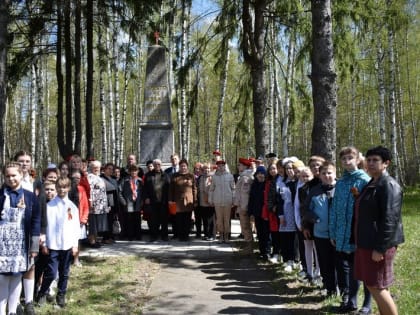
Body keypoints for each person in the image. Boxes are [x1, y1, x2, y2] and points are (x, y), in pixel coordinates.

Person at [353, 146, 404, 315]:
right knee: (377, 285)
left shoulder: (389, 185)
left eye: (376, 160)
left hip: (377, 245)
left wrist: (380, 248)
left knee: (376, 286)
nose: (371, 163)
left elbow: (390, 220)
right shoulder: (373, 182)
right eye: (369, 160)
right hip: (367, 242)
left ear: (386, 163)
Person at [329, 146, 372, 314]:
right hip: (341, 232)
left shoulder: (364, 180)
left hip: (358, 233)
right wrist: (333, 232)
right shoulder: (340, 183)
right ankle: (351, 301)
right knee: (350, 269)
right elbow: (334, 209)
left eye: (350, 158)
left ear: (357, 160)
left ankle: (367, 304)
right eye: (344, 159)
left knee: (364, 269)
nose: (347, 162)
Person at [0, 162, 41, 315]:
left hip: (21, 244)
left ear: (21, 175)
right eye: (7, 176)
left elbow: (36, 221)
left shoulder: (30, 197)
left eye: (14, 175)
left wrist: (34, 246)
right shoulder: (0, 195)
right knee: (3, 279)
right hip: (2, 244)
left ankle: (12, 311)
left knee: (17, 277)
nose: (11, 179)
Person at [35, 178, 80, 308]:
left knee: (64, 272)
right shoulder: (49, 206)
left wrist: (75, 244)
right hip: (53, 245)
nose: (61, 190)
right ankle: (42, 293)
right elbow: (45, 227)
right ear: (56, 187)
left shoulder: (72, 207)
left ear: (68, 188)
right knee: (51, 272)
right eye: (59, 187)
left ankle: (61, 295)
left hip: (67, 244)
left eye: (64, 187)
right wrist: (44, 244)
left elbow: (75, 227)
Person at [303, 161, 337, 297]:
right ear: (320, 176)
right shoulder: (315, 191)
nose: (327, 175)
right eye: (324, 173)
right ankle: (329, 288)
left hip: (338, 233)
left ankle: (340, 289)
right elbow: (305, 208)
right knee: (324, 261)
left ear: (335, 174)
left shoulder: (341, 188)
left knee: (338, 263)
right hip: (320, 233)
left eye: (329, 173)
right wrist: (315, 218)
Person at [168, 159, 197, 242]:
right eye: (181, 166)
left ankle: (186, 235)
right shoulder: (174, 176)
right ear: (179, 167)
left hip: (188, 201)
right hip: (178, 201)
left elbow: (194, 189)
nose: (183, 167)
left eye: (184, 166)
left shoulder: (191, 176)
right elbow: (171, 189)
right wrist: (170, 200)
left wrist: (195, 200)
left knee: (187, 219)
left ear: (187, 166)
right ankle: (181, 235)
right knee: (179, 219)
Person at [143, 159, 171, 242]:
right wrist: (146, 197)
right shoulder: (148, 175)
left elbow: (169, 188)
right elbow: (145, 189)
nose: (157, 166)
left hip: (163, 201)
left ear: (161, 165)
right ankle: (154, 236)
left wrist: (169, 199)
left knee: (164, 219)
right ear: (153, 165)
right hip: (153, 201)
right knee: (153, 220)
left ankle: (164, 236)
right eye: (155, 164)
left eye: (158, 164)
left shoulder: (165, 175)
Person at [208, 160, 235, 243]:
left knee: (226, 220)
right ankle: (221, 236)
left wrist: (234, 200)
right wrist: (210, 199)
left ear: (225, 166)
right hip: (217, 201)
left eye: (222, 165)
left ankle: (226, 236)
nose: (220, 167)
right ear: (217, 167)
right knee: (219, 220)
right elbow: (211, 189)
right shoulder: (214, 177)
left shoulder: (230, 176)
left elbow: (233, 189)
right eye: (219, 166)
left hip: (227, 201)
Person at [248, 166, 270, 260]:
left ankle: (267, 252)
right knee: (260, 233)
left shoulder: (267, 185)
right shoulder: (254, 185)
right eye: (258, 174)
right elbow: (251, 200)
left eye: (262, 173)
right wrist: (251, 212)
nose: (260, 175)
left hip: (266, 213)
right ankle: (262, 251)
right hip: (257, 212)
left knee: (266, 233)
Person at [87, 160, 109, 247]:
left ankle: (95, 240)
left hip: (101, 205)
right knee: (93, 224)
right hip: (94, 205)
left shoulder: (99, 177)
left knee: (97, 225)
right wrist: (91, 203)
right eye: (94, 167)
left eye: (98, 167)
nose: (96, 169)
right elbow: (90, 191)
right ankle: (92, 241)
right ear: (91, 168)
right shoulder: (90, 177)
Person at [262, 163, 281, 264]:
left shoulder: (280, 180)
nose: (273, 171)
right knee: (273, 233)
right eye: (271, 169)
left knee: (278, 233)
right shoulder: (268, 181)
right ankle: (275, 252)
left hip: (277, 210)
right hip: (270, 210)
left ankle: (278, 252)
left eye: (274, 168)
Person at [233, 158, 254, 250]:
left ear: (245, 166)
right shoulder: (243, 176)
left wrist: (242, 206)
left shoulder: (246, 177)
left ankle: (249, 245)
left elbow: (245, 193)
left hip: (244, 205)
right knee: (244, 225)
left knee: (245, 225)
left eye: (240, 165)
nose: (238, 167)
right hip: (242, 204)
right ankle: (248, 243)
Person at [70, 170, 89, 267]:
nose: (76, 180)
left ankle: (76, 259)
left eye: (78, 178)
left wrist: (84, 219)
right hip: (69, 219)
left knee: (78, 240)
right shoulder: (67, 188)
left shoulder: (82, 189)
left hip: (80, 218)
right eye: (74, 178)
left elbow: (85, 205)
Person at [121, 164, 143, 241]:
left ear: (138, 171)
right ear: (129, 172)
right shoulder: (125, 180)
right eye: (132, 171)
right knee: (129, 220)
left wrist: (142, 201)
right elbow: (119, 192)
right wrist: (123, 201)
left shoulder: (140, 181)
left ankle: (138, 236)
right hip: (128, 202)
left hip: (137, 202)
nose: (134, 172)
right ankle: (130, 236)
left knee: (137, 219)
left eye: (135, 171)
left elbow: (143, 192)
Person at [197, 162, 215, 241]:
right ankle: (206, 234)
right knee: (204, 219)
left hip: (210, 201)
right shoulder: (200, 178)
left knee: (210, 219)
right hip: (202, 201)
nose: (206, 170)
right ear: (202, 170)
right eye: (205, 168)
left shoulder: (213, 177)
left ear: (210, 169)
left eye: (208, 168)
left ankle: (211, 235)